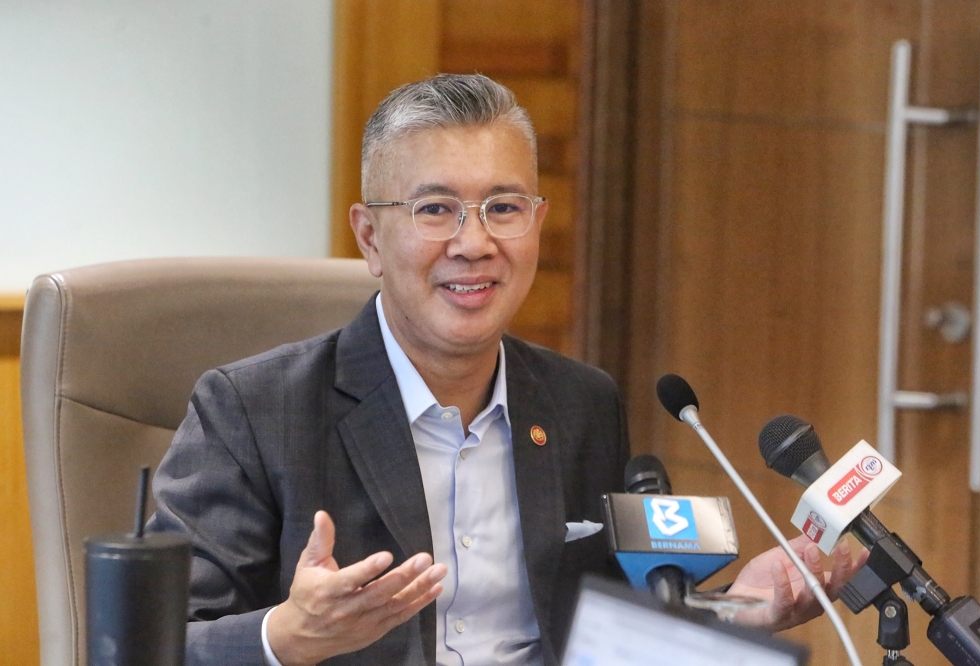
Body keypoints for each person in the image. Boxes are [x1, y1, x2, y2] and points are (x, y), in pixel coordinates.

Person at [150, 74, 864, 666]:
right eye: (436, 209)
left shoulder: (580, 402)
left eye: (503, 207)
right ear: (370, 236)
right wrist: (287, 637)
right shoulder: (252, 409)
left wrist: (739, 608)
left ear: (538, 222)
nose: (475, 242)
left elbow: (609, 634)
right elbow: (146, 644)